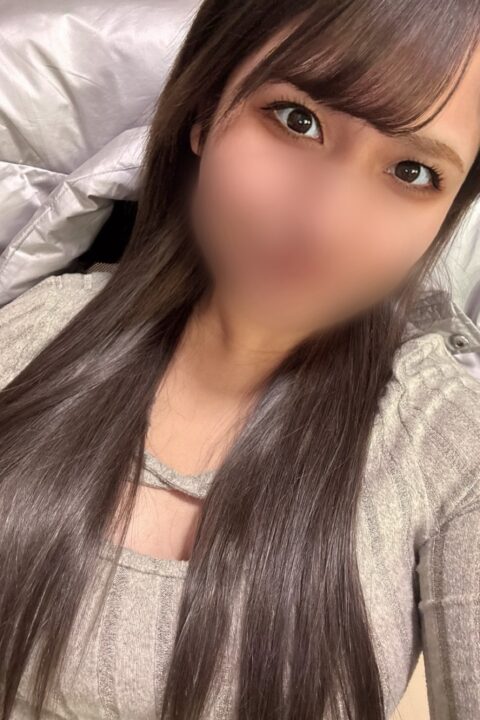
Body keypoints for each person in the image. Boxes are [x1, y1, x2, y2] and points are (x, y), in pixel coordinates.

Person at [1, 1, 480, 718]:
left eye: (412, 171)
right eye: (297, 120)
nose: (323, 225)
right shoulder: (40, 332)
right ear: (203, 112)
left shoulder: (448, 443)